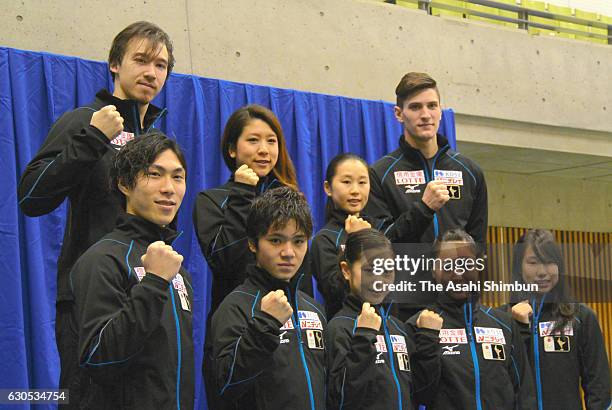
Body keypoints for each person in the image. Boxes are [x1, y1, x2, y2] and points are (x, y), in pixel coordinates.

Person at [17, 21, 174, 399]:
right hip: (90, 297)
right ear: (114, 64)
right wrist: (92, 137)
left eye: (161, 65)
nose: (151, 72)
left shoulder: (157, 141)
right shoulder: (85, 120)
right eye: (141, 60)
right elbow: (32, 197)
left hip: (148, 293)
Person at [71, 132, 193, 409]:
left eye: (178, 177)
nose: (169, 188)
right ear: (125, 184)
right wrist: (153, 284)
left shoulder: (175, 267)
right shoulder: (103, 258)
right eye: (154, 174)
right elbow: (98, 358)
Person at [365, 72, 488, 320]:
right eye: (415, 107)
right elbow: (380, 244)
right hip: (407, 306)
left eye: (432, 106)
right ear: (399, 114)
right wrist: (424, 208)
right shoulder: (381, 173)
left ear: (441, 111)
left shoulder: (470, 171)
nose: (425, 114)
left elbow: (478, 245)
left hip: (460, 306)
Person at [209, 187, 326, 410]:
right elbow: (225, 386)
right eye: (276, 240)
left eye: (299, 241)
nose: (289, 252)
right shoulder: (235, 307)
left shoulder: (313, 309)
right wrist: (265, 324)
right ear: (253, 244)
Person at [406, 229, 536, 409]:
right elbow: (419, 396)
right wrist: (428, 337)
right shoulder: (417, 326)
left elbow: (524, 393)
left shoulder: (504, 325)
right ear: (434, 271)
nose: (458, 274)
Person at [193, 104, 301, 316]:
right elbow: (224, 261)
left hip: (288, 322)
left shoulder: (291, 199)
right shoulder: (211, 200)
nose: (264, 149)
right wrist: (242, 193)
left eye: (271, 141)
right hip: (237, 318)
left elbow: (301, 275)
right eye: (253, 140)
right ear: (232, 149)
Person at [327, 228, 442, 410]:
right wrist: (364, 338)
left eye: (387, 271)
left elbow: (424, 395)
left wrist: (428, 340)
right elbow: (340, 400)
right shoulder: (339, 327)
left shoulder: (399, 328)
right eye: (370, 270)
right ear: (346, 270)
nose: (379, 280)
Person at [311, 153, 433, 317]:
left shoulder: (381, 228)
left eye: (362, 182)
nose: (355, 190)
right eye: (346, 182)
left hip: (389, 327)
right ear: (328, 188)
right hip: (350, 328)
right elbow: (335, 292)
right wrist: (358, 240)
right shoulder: (325, 238)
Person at [507, 229, 610, 410]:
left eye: (549, 262)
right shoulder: (502, 320)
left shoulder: (582, 318)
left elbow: (599, 387)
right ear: (518, 266)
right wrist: (519, 329)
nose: (542, 272)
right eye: (533, 262)